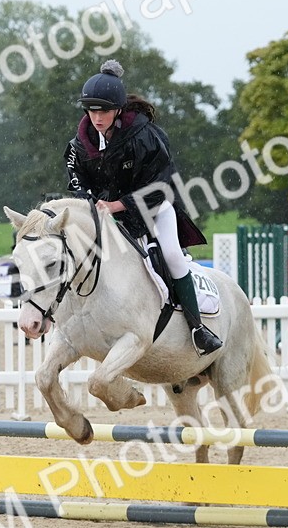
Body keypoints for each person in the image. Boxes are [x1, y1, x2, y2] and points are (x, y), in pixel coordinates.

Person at [64, 59, 222, 356]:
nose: (97, 117)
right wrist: (89, 198)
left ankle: (198, 328)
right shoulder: (80, 144)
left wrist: (118, 204)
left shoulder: (144, 136)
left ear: (119, 110)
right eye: (92, 110)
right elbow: (75, 176)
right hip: (107, 212)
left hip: (154, 208)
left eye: (105, 111)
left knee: (173, 256)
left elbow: (162, 185)